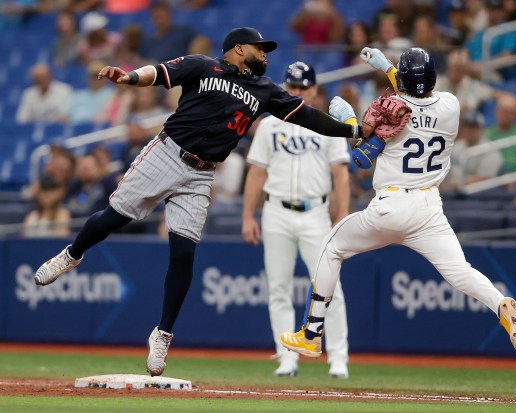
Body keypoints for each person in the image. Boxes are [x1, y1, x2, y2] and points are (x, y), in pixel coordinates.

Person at [33, 26, 366, 377]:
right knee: (113, 217)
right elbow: (159, 73)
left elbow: (310, 118)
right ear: (238, 49)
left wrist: (354, 131)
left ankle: (162, 334)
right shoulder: (201, 66)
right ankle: (71, 255)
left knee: (184, 253)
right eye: (259, 48)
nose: (265, 55)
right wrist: (129, 77)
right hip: (167, 153)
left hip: (202, 173)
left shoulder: (265, 90)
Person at [280, 47, 516, 359]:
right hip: (429, 209)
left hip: (391, 206)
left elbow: (360, 157)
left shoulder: (392, 110)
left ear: (401, 81)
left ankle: (311, 333)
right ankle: (498, 302)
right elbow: (416, 96)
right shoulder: (451, 106)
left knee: (331, 248)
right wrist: (388, 66)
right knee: (459, 270)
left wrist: (349, 121)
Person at [242, 62, 351, 378]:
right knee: (278, 287)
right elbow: (257, 172)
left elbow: (340, 173)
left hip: (316, 213)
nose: (297, 92)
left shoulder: (327, 123)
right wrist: (249, 214)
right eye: (292, 86)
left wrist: (341, 214)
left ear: (314, 89)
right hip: (275, 210)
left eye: (303, 87)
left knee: (330, 286)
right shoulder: (268, 124)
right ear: (284, 87)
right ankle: (287, 356)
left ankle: (338, 357)